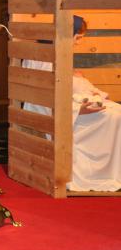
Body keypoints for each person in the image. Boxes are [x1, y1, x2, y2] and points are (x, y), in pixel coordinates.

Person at [23, 16, 121, 192]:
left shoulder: (50, 51)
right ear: (68, 35)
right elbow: (45, 96)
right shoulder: (44, 58)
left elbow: (61, 83)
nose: (78, 43)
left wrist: (76, 79)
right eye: (78, 38)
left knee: (116, 111)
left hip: (68, 106)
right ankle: (101, 173)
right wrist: (78, 110)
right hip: (55, 113)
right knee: (114, 116)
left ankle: (111, 171)